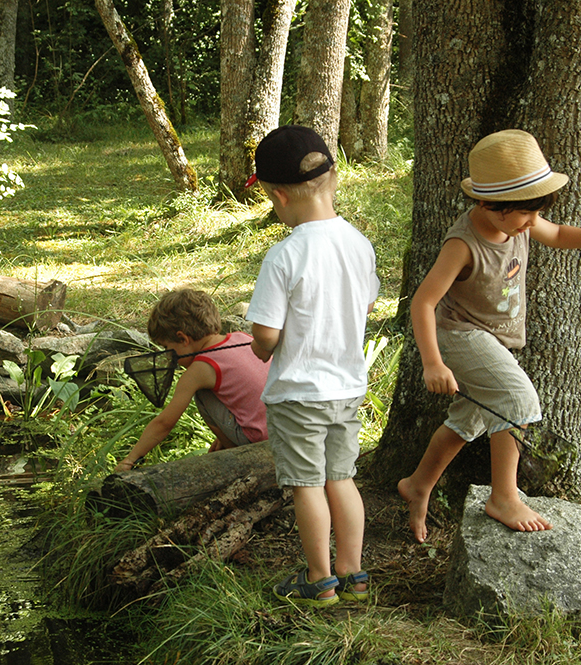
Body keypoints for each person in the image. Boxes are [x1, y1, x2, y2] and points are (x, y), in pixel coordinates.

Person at [398, 129, 581, 543]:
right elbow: (423, 302)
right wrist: (434, 362)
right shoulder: (463, 245)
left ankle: (418, 484)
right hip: (462, 335)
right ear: (491, 204)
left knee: (469, 421)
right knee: (518, 402)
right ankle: (503, 495)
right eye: (525, 214)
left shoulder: (520, 218)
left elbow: (556, 235)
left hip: (491, 339)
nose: (531, 223)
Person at [246, 125, 380, 606]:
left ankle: (319, 579)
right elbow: (364, 307)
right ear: (333, 178)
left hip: (298, 395)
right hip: (347, 389)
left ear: (278, 196)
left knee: (306, 486)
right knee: (341, 479)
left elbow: (265, 335)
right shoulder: (358, 244)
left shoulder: (284, 255)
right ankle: (354, 573)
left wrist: (262, 350)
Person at [114, 289, 270, 472]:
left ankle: (236, 453)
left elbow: (165, 422)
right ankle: (230, 442)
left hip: (258, 442)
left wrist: (131, 459)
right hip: (285, 429)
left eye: (167, 347)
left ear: (183, 338)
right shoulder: (241, 338)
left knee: (202, 394)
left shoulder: (200, 368)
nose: (168, 354)